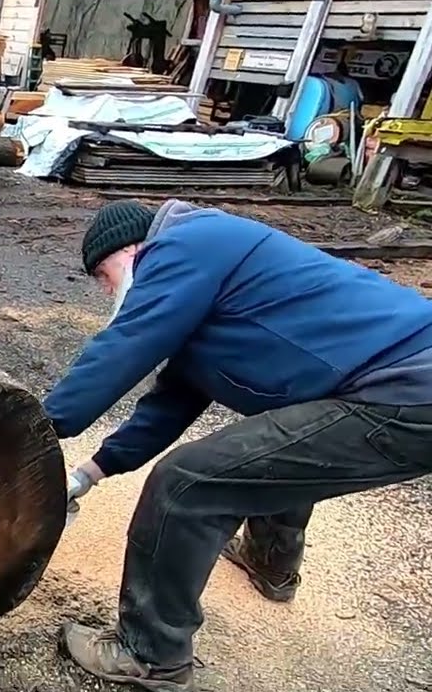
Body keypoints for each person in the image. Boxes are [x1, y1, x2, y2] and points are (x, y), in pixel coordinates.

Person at [42, 199, 432, 692]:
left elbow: (126, 343)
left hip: (407, 390)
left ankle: (149, 654)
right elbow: (170, 403)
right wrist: (85, 476)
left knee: (188, 485)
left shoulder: (185, 244)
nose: (105, 289)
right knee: (275, 446)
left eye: (102, 273)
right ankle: (269, 563)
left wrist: (37, 427)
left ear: (131, 248)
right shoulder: (204, 276)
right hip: (397, 387)